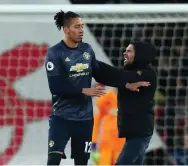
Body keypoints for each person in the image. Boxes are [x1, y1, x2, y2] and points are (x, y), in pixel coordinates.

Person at [45, 10, 149, 165]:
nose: (81, 30)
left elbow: (101, 72)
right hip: (61, 117)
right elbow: (56, 86)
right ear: (66, 29)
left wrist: (126, 82)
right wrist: (84, 91)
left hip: (84, 119)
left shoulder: (86, 50)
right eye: (77, 26)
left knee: (81, 162)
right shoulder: (55, 53)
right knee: (54, 159)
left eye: (82, 26)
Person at [96, 40, 158, 165]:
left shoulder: (146, 74)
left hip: (139, 134)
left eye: (129, 51)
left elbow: (118, 76)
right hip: (122, 139)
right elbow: (96, 122)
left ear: (139, 55)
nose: (124, 53)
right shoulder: (107, 98)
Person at [91, 89, 125, 165]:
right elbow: (95, 125)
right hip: (105, 149)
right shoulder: (105, 98)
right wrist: (93, 149)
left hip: (123, 149)